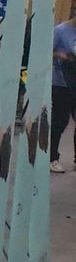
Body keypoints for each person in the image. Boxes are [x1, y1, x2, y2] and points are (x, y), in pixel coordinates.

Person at [53, 12, 75, 173]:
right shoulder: (60, 30)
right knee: (60, 121)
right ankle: (52, 158)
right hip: (61, 83)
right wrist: (60, 55)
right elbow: (46, 50)